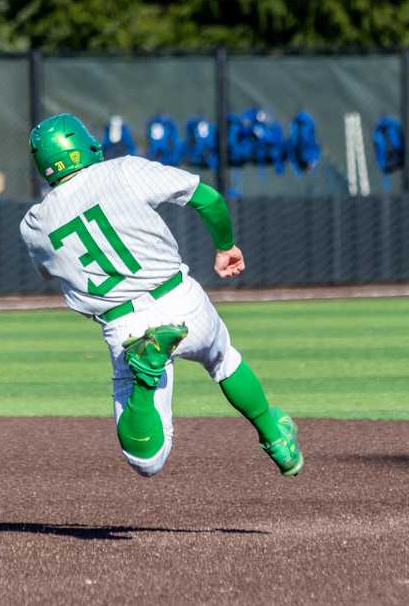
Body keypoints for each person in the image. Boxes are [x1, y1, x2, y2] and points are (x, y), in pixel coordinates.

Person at [19, 113, 302, 478]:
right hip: (181, 298)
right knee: (224, 361)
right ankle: (274, 436)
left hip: (124, 326)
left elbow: (50, 272)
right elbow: (209, 199)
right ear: (86, 144)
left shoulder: (34, 224)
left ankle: (145, 377)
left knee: (147, 460)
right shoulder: (123, 170)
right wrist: (225, 246)